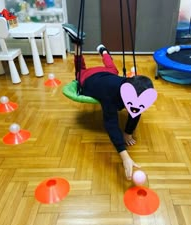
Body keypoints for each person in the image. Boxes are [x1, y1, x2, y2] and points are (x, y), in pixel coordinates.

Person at [63, 24, 155, 180]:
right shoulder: (110, 97)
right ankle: (81, 45)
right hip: (89, 78)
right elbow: (111, 125)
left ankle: (99, 50)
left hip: (107, 74)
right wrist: (125, 156)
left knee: (112, 69)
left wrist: (128, 132)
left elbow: (136, 111)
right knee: (80, 71)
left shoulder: (128, 85)